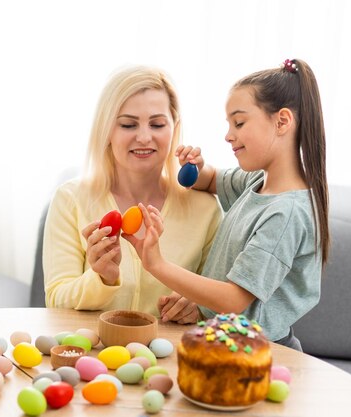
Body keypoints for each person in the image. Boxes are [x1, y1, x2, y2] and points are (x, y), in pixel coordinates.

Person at [124, 59, 329, 350]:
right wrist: (195, 168)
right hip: (226, 336)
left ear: (282, 121)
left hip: (260, 350)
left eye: (239, 122)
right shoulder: (257, 182)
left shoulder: (286, 214)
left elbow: (233, 300)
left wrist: (156, 263)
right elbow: (211, 181)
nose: (228, 135)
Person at [43, 66, 222, 319]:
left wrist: (199, 308)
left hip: (171, 357)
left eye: (158, 124)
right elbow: (55, 302)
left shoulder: (206, 209)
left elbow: (221, 306)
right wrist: (101, 278)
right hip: (95, 354)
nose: (144, 137)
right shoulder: (70, 199)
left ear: (174, 128)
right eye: (128, 125)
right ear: (106, 131)